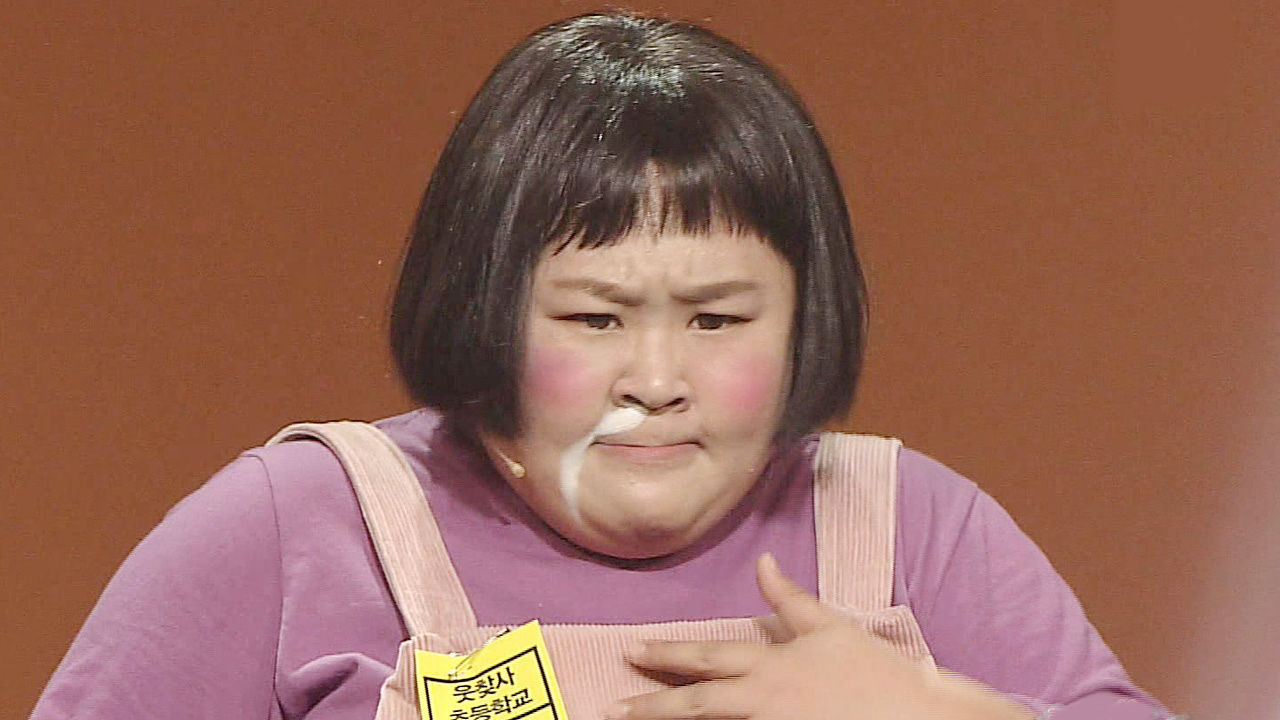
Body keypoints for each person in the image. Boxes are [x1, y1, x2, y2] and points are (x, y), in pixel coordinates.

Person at [31, 12, 1176, 720]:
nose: (655, 378)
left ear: (802, 318)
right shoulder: (299, 528)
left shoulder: (914, 530)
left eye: (717, 321)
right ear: (483, 305)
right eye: (593, 319)